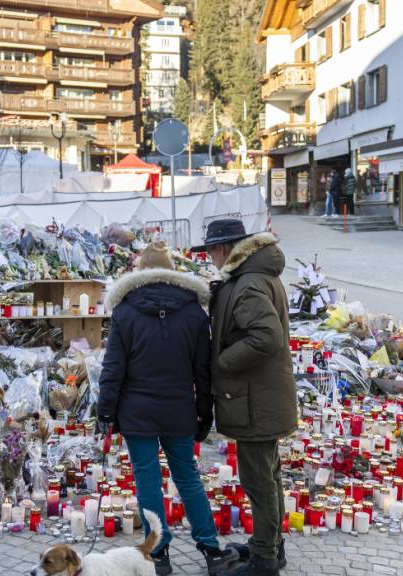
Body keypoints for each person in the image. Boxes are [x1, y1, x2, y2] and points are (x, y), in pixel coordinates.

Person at [97, 240, 239, 576]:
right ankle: (210, 549)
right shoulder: (193, 311)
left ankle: (158, 555)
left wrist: (105, 413)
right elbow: (202, 371)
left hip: (137, 412)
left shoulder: (126, 310)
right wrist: (205, 412)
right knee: (188, 477)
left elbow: (113, 368)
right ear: (172, 273)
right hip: (179, 410)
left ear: (141, 272)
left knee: (148, 479)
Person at [193, 220, 298, 576]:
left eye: (211, 251)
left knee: (258, 479)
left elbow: (266, 337)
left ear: (227, 249)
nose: (210, 257)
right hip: (260, 395)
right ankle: (268, 546)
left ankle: (265, 559)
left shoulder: (249, 283)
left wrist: (222, 362)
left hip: (257, 398)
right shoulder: (251, 277)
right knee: (267, 474)